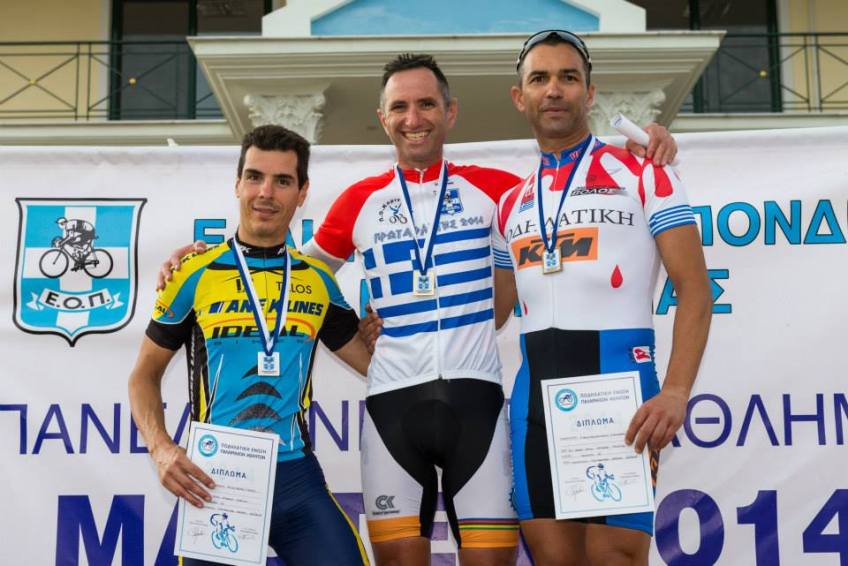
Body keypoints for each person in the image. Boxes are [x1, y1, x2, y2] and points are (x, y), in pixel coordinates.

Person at [157, 55, 677, 566]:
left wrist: (643, 144)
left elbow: (567, 177)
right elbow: (288, 269)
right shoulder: (359, 200)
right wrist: (203, 255)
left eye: (426, 104)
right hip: (393, 411)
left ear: (450, 111)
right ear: (383, 118)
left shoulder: (500, 191)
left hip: (477, 405)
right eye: (400, 107)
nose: (414, 118)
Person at [492, 30, 712, 565]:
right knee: (554, 560)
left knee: (615, 558)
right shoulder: (508, 203)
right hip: (533, 398)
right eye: (539, 79)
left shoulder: (645, 174)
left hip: (618, 387)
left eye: (568, 77)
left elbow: (695, 290)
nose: (554, 90)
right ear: (519, 97)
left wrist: (676, 392)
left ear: (590, 92)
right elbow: (492, 312)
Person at [128, 125, 372, 566]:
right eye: (255, 177)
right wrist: (161, 448)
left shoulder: (318, 280)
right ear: (238, 183)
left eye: (283, 181)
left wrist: (393, 328)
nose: (266, 193)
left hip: (296, 479)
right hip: (215, 479)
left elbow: (375, 365)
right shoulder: (193, 273)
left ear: (302, 192)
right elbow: (143, 375)